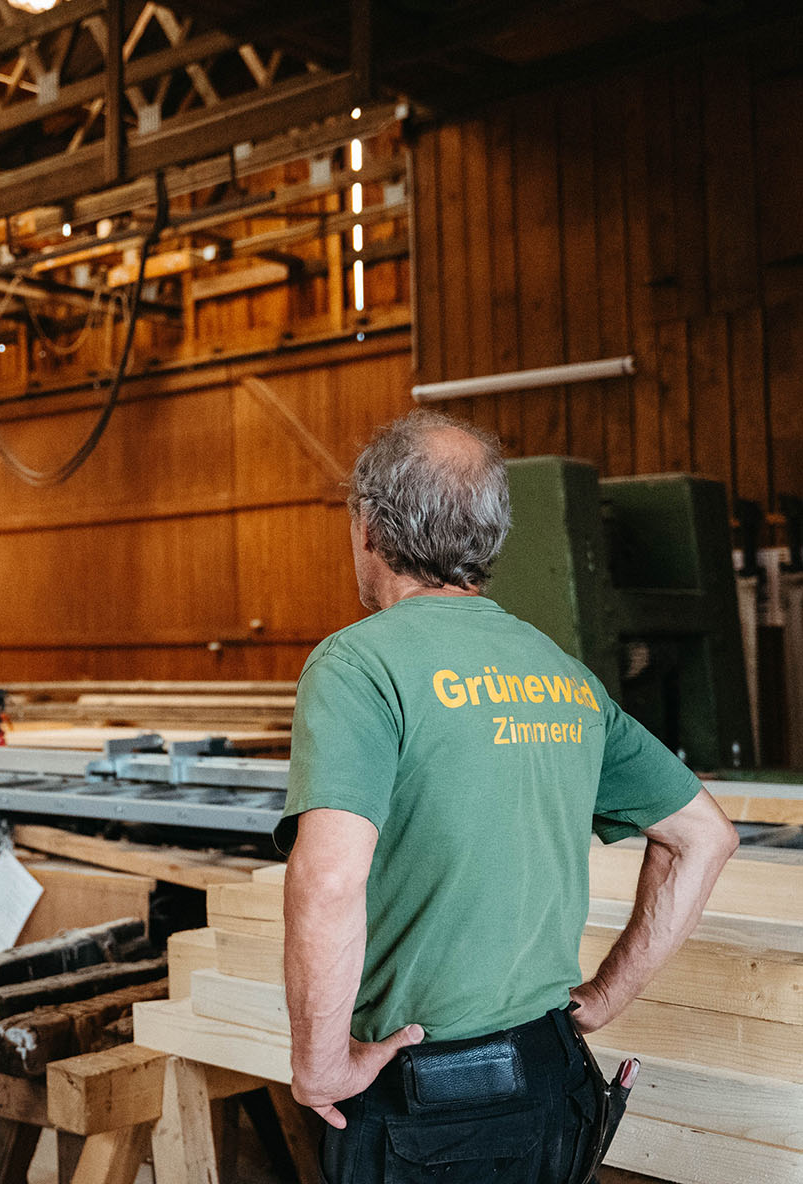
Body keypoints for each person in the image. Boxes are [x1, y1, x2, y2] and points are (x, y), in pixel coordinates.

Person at [278, 409, 738, 1183]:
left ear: (368, 525)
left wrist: (321, 1063)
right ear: (489, 536)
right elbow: (704, 836)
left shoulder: (357, 666)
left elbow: (328, 878)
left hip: (428, 1105)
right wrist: (602, 999)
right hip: (555, 1082)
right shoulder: (558, 672)